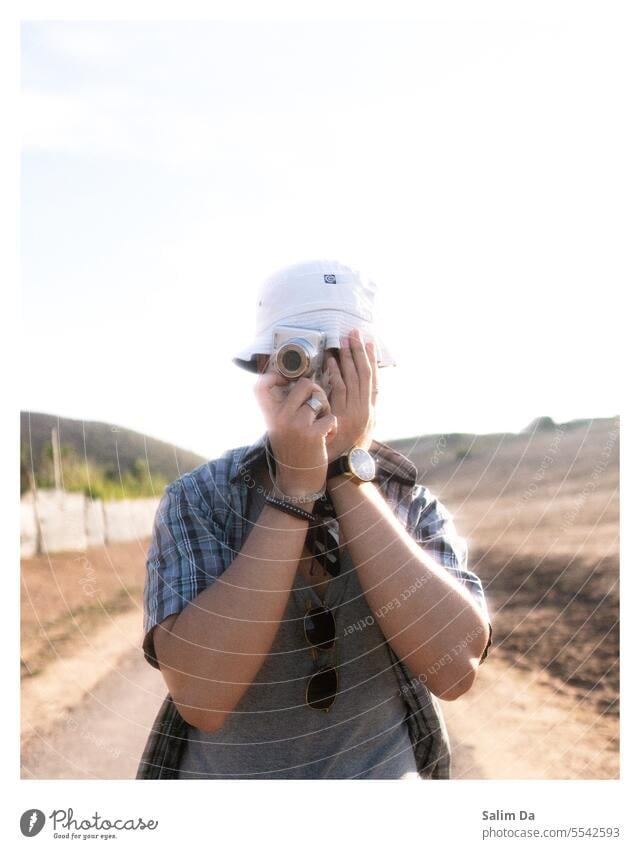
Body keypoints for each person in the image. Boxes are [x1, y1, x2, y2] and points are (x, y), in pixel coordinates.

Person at [137, 259, 492, 780]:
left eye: (343, 362)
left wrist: (349, 474)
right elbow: (201, 696)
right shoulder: (202, 500)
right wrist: (294, 492)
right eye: (300, 360)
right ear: (265, 370)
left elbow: (456, 668)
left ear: (372, 380)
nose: (322, 383)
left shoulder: (411, 505)